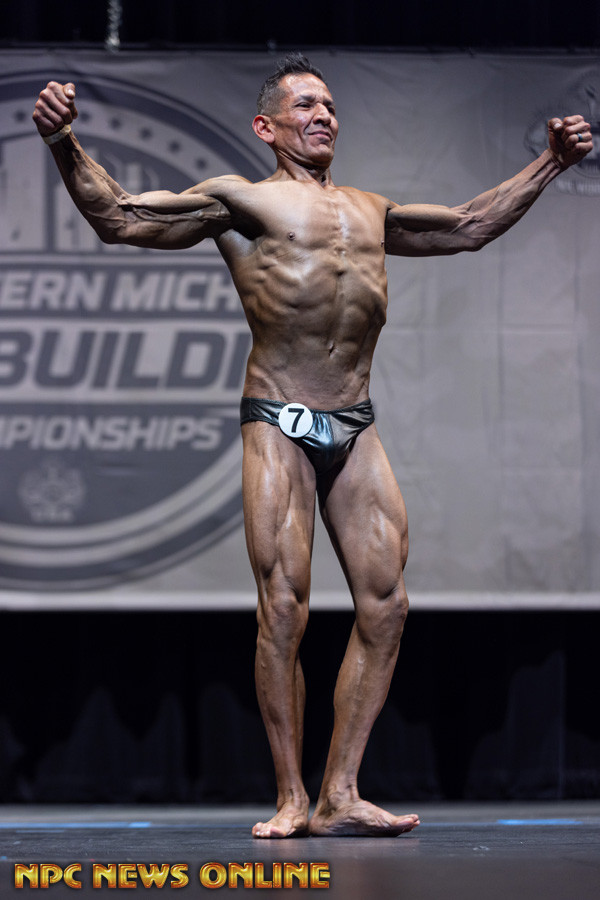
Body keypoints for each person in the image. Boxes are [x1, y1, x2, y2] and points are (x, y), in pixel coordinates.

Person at [33, 54, 592, 838]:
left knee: (387, 605)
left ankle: (341, 793)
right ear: (266, 126)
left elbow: (470, 225)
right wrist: (64, 143)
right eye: (305, 104)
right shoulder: (241, 200)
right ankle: (292, 796)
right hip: (279, 418)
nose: (323, 114)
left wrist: (551, 162)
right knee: (284, 607)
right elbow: (123, 217)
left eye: (329, 104)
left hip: (354, 422)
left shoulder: (370, 208)